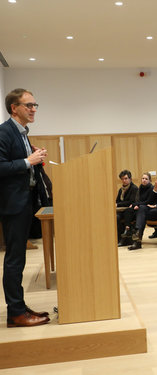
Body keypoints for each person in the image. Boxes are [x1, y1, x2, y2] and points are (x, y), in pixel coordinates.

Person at [0, 88, 50, 327]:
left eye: (34, 105)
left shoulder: (22, 133)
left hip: (24, 202)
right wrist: (27, 161)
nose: (33, 109)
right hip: (12, 205)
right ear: (14, 108)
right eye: (28, 105)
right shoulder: (4, 132)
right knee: (14, 260)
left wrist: (34, 157)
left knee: (18, 259)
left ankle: (19, 307)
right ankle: (16, 313)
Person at [118, 172, 154, 246]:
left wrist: (137, 204)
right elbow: (138, 200)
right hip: (140, 206)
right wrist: (136, 204)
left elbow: (148, 201)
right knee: (128, 210)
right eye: (143, 178)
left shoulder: (151, 188)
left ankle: (136, 238)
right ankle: (127, 229)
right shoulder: (140, 187)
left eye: (146, 179)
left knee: (135, 210)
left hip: (147, 208)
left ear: (150, 180)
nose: (144, 180)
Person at [115, 170, 138, 242]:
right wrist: (117, 204)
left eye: (125, 178)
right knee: (116, 217)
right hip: (122, 210)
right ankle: (119, 238)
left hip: (130, 211)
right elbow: (117, 200)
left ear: (130, 179)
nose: (124, 180)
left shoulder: (134, 188)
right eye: (122, 179)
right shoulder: (121, 190)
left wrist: (118, 204)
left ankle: (124, 239)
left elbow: (131, 202)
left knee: (120, 217)